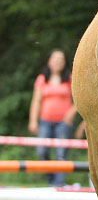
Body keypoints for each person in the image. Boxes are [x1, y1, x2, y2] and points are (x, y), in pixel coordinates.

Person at [28, 49, 77, 187]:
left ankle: (59, 184)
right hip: (45, 122)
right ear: (49, 61)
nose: (58, 62)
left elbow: (79, 99)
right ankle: (51, 181)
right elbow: (36, 101)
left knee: (61, 153)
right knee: (41, 151)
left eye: (61, 59)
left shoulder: (69, 78)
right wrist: (33, 121)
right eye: (55, 58)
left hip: (63, 122)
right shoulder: (42, 78)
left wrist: (70, 114)